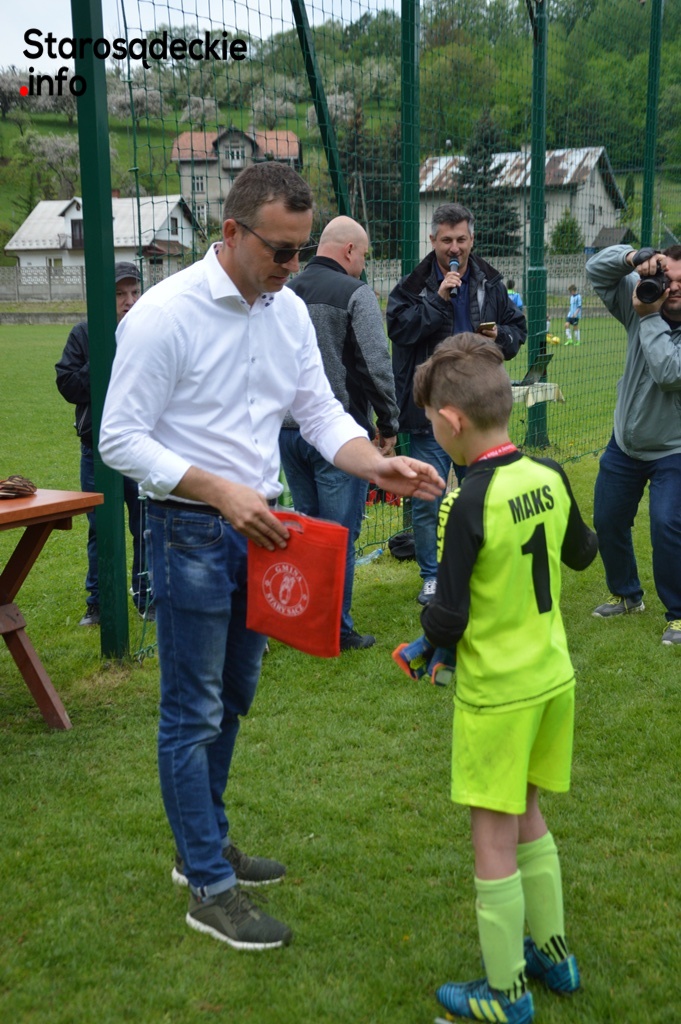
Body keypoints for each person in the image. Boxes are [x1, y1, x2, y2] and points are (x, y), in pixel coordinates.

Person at [98, 162, 445, 951]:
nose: (293, 266)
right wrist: (219, 492)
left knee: (233, 696)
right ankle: (208, 885)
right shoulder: (163, 315)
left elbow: (317, 410)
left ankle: (205, 844)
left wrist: (374, 463)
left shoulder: (284, 309)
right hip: (189, 528)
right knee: (191, 710)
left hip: (260, 531)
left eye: (300, 250)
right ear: (230, 232)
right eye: (280, 251)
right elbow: (118, 438)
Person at [413, 333, 597, 1024]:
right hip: (552, 681)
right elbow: (581, 554)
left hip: (497, 697)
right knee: (527, 815)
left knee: (492, 836)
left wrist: (422, 642)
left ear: (452, 421)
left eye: (433, 424)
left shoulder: (469, 501)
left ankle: (506, 992)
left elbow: (448, 615)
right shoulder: (548, 475)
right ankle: (555, 955)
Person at [387, 202, 526, 605]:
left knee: (480, 493)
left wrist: (500, 338)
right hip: (430, 410)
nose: (454, 248)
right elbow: (399, 329)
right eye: (446, 240)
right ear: (432, 240)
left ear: (471, 239)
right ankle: (432, 577)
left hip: (478, 408)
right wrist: (438, 299)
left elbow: (517, 329)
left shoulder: (490, 281)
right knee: (427, 498)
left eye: (461, 239)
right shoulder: (414, 285)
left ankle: (478, 568)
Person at [280, 215, 399, 651]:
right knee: (339, 536)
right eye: (363, 255)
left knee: (308, 531)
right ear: (349, 250)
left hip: (287, 432)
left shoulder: (285, 290)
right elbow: (375, 363)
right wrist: (388, 423)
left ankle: (305, 618)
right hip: (337, 433)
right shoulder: (354, 292)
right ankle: (336, 628)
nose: (363, 264)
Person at [586, 244, 681, 646]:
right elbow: (596, 269)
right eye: (668, 278)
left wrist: (649, 317)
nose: (673, 287)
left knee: (667, 525)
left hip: (674, 449)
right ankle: (626, 595)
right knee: (608, 519)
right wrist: (633, 258)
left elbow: (669, 372)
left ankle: (679, 615)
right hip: (625, 442)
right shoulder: (641, 297)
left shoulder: (645, 310)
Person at [55, 262, 151, 626]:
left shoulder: (150, 332)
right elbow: (69, 386)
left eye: (134, 292)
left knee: (145, 525)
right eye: (119, 294)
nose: (129, 301)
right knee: (100, 528)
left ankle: (147, 597)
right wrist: (104, 354)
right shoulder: (83, 334)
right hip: (96, 451)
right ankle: (98, 603)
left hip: (142, 446)